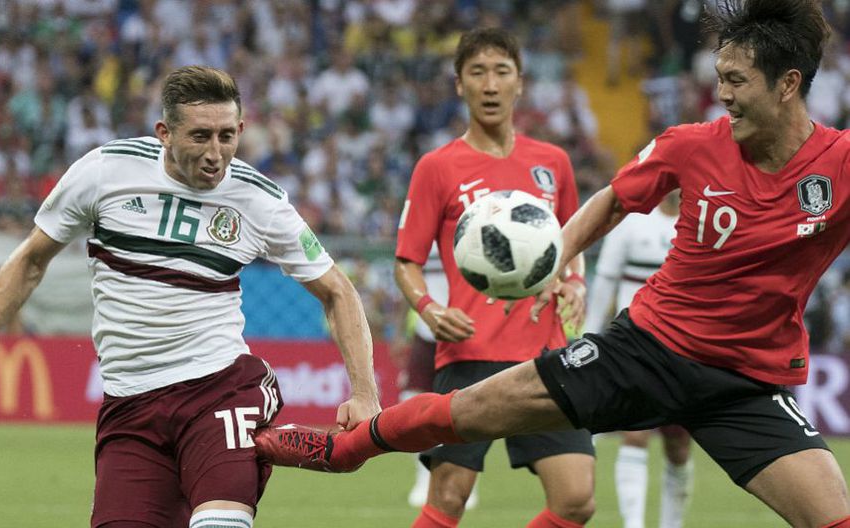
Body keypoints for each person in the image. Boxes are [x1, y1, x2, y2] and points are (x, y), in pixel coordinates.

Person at [256, 1, 850, 525]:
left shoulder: (839, 166)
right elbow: (613, 200)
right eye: (719, 78)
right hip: (644, 351)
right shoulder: (693, 144)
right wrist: (552, 261)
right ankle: (347, 448)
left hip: (744, 383)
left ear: (787, 84)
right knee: (467, 411)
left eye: (736, 80)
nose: (721, 94)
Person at [0, 65, 381, 528]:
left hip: (219, 390)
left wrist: (365, 393)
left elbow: (337, 290)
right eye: (200, 136)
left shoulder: (259, 200)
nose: (216, 153)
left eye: (226, 136)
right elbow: (32, 260)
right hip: (130, 405)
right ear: (164, 133)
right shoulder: (104, 172)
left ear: (241, 130)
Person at [293, 27, 599, 528]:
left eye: (501, 71)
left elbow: (573, 241)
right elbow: (406, 261)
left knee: (577, 499)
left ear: (520, 82)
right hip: (470, 351)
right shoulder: (438, 167)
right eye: (477, 72)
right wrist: (429, 308)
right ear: (459, 84)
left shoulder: (553, 163)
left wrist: (576, 283)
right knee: (449, 498)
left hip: (545, 352)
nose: (490, 84)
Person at [583, 191, 693, 528]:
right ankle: (634, 524)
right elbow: (606, 278)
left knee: (678, 445)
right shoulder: (631, 223)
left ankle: (671, 524)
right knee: (635, 433)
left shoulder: (700, 222)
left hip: (685, 346)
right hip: (634, 344)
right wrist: (590, 332)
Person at [398, 243, 480, 511]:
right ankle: (424, 476)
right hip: (426, 330)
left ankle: (465, 476)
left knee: (463, 408)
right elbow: (406, 279)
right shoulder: (421, 234)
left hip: (464, 329)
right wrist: (400, 331)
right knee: (412, 402)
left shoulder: (472, 230)